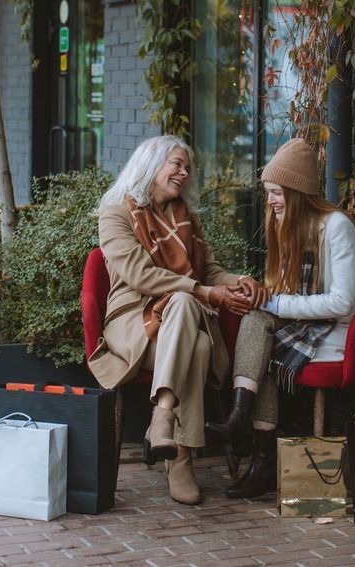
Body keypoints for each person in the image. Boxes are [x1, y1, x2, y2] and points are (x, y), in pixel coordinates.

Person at [88, 135, 268, 505]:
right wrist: (202, 292)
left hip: (178, 325)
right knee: (195, 331)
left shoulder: (187, 218)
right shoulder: (115, 213)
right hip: (133, 321)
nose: (184, 172)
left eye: (187, 167)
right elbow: (141, 276)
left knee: (191, 323)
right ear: (151, 165)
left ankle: (164, 417)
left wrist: (240, 281)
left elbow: (211, 271)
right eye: (176, 164)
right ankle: (183, 457)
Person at [205, 137, 355, 499]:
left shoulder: (336, 227)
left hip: (346, 331)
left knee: (264, 342)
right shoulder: (289, 225)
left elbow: (342, 302)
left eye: (277, 193)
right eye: (268, 192)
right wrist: (260, 295)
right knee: (256, 321)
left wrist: (277, 305)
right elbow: (286, 291)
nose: (269, 201)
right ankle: (247, 429)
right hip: (310, 323)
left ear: (298, 192)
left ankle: (257, 449)